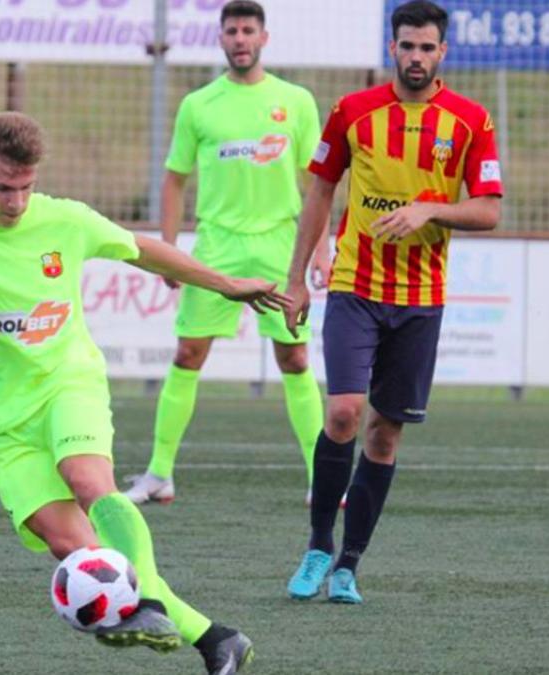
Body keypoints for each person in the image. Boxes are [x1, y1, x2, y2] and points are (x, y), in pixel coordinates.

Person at [0, 112, 267, 675]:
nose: (15, 202)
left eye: (26, 188)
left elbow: (143, 250)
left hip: (69, 382)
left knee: (88, 478)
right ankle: (216, 639)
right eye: (4, 188)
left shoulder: (65, 220)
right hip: (5, 424)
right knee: (74, 548)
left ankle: (147, 604)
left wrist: (229, 286)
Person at [282, 0, 503, 604]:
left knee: (383, 438)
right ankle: (318, 545)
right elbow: (320, 191)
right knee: (344, 413)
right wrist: (298, 277)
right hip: (355, 286)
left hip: (421, 299)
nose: (415, 57)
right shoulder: (352, 112)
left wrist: (432, 207)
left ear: (443, 53)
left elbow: (488, 209)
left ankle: (349, 565)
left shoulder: (470, 121)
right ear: (392, 49)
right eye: (406, 45)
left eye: (426, 47)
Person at [124, 0, 328, 508]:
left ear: (264, 38)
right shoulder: (200, 105)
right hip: (215, 248)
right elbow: (174, 180)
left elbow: (319, 183)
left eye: (248, 30)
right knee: (188, 355)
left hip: (281, 250)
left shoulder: (296, 101)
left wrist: (320, 249)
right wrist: (168, 251)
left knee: (295, 358)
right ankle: (159, 475)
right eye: (232, 31)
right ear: (221, 39)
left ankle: (321, 477)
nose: (240, 39)